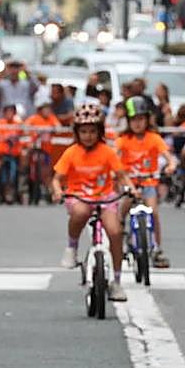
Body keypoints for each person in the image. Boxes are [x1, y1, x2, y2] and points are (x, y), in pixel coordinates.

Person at [51, 104, 131, 301]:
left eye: (93, 131)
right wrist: (57, 191)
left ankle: (116, 282)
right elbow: (57, 179)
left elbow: (121, 175)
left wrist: (131, 188)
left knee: (115, 232)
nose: (88, 136)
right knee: (81, 212)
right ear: (77, 133)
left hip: (105, 198)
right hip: (79, 196)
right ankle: (72, 247)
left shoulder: (107, 152)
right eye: (84, 131)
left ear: (100, 132)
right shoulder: (71, 152)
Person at [115, 97, 177, 268]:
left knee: (153, 212)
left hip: (148, 181)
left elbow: (168, 156)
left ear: (147, 119)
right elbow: (114, 155)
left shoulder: (154, 138)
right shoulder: (123, 139)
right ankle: (119, 244)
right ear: (128, 121)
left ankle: (157, 248)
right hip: (129, 182)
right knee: (122, 211)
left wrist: (171, 165)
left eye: (141, 119)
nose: (137, 123)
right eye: (133, 119)